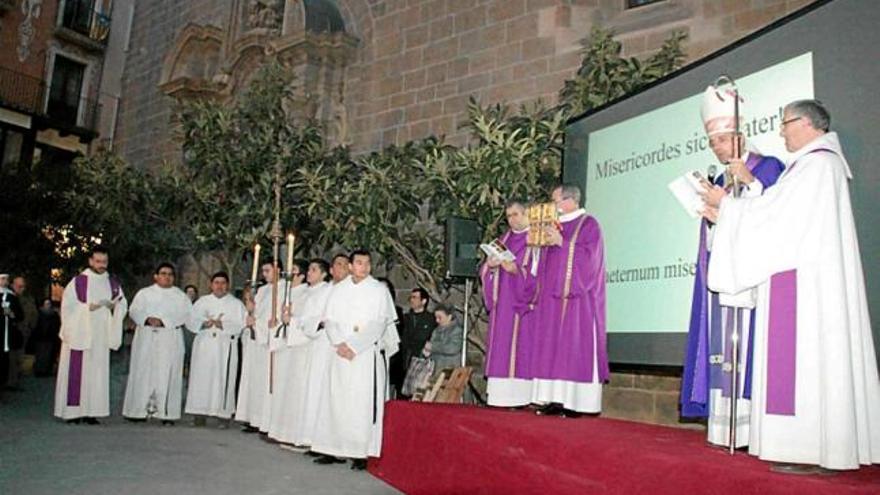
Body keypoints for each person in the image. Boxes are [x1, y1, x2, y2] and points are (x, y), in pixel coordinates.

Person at [701, 99, 880, 470]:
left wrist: (729, 208)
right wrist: (733, 206)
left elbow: (779, 219)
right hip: (798, 279)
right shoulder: (811, 166)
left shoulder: (818, 165)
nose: (780, 131)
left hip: (808, 289)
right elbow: (775, 211)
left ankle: (809, 448)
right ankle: (806, 447)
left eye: (785, 123)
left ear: (807, 123)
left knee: (808, 361)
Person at [680, 85, 785, 448]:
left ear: (740, 136)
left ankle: (751, 429)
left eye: (723, 140)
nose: (718, 148)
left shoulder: (768, 167)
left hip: (754, 280)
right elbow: (724, 227)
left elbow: (772, 216)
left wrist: (736, 196)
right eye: (714, 143)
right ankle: (726, 426)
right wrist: (711, 217)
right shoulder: (723, 178)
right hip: (727, 278)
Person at [311, 250, 400, 470]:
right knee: (336, 400)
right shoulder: (338, 290)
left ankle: (361, 452)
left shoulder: (378, 291)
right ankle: (333, 448)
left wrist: (354, 346)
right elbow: (329, 319)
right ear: (350, 266)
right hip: (339, 352)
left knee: (361, 403)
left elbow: (379, 323)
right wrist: (339, 342)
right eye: (359, 263)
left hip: (364, 353)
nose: (364, 267)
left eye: (367, 263)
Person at [531, 184, 608, 418]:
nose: (552, 207)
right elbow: (542, 266)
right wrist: (538, 248)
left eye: (554, 202)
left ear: (569, 201)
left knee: (572, 349)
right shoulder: (554, 225)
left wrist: (562, 244)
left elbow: (590, 261)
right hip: (551, 301)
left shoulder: (589, 224)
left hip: (577, 302)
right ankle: (554, 399)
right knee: (552, 348)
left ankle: (575, 402)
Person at [54, 246, 128, 424]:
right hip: (80, 333)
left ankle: (91, 412)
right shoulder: (79, 282)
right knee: (77, 372)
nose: (102, 265)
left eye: (105, 262)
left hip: (100, 336)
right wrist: (87, 308)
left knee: (97, 372)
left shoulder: (112, 282)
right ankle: (72, 413)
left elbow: (122, 303)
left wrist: (115, 307)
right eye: (98, 261)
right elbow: (67, 307)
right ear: (90, 261)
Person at [480, 199, 538, 408]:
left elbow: (541, 275)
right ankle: (500, 397)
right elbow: (485, 273)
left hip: (523, 309)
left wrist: (517, 271)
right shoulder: (502, 240)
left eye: (515, 214)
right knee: (502, 350)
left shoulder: (536, 240)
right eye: (508, 216)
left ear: (526, 214)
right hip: (502, 306)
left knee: (521, 351)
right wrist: (491, 266)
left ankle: (521, 398)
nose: (512, 220)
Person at [123, 262, 192, 425]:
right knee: (142, 371)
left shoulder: (180, 296)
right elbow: (134, 311)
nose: (166, 277)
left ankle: (166, 413)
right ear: (156, 276)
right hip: (146, 338)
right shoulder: (144, 293)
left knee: (167, 373)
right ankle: (137, 410)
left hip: (169, 339)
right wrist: (147, 319)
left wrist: (164, 321)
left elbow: (187, 315)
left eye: (170, 274)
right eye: (163, 273)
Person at [185, 271, 247, 426]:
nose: (220, 286)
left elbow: (241, 324)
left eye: (223, 283)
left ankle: (223, 415)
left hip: (225, 346)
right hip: (204, 345)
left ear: (227, 285)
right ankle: (199, 413)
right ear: (211, 285)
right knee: (201, 378)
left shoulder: (236, 304)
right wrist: (203, 323)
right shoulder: (202, 302)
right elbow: (191, 320)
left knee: (223, 378)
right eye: (216, 283)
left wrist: (223, 324)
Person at [235, 260, 287, 433]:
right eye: (263, 271)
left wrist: (260, 324)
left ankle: (265, 419)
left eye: (267, 270)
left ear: (278, 270)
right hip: (256, 339)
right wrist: (251, 312)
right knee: (254, 380)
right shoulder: (263, 290)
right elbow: (257, 312)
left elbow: (277, 317)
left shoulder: (283, 289)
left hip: (267, 341)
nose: (264, 274)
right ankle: (253, 417)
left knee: (266, 382)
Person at [288, 258, 334, 448]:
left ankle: (311, 439)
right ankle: (301, 435)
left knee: (314, 392)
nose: (309, 272)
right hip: (307, 344)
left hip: (316, 345)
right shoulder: (309, 292)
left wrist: (297, 321)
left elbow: (317, 320)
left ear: (324, 274)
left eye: (314, 270)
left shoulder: (325, 291)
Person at [266, 259, 310, 444]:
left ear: (301, 275)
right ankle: (279, 430)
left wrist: (291, 318)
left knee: (294, 391)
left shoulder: (306, 294)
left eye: (293, 271)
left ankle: (293, 434)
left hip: (298, 348)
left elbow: (306, 321)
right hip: (283, 344)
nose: (289, 274)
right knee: (281, 388)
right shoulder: (285, 292)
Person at [393, 287, 435, 398]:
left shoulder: (430, 319)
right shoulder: (405, 318)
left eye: (415, 297)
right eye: (411, 297)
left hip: (421, 362)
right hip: (404, 360)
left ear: (424, 301)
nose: (412, 300)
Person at [9, 276, 37, 390]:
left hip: (24, 331)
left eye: (23, 286)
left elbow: (33, 313)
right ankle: (11, 382)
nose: (22, 289)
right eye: (19, 286)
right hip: (13, 331)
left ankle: (15, 381)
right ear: (13, 285)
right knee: (12, 358)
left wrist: (30, 327)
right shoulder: (9, 297)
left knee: (19, 357)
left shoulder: (28, 298)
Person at [1, 273, 24, 391]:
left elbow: (19, 316)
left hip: (9, 335)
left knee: (9, 361)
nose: (4, 281)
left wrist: (10, 314)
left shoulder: (12, 297)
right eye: (2, 279)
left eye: (6, 279)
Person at [423, 304, 463, 372]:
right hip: (436, 368)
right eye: (436, 317)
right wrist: (428, 352)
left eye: (440, 317)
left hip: (450, 369)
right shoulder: (436, 330)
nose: (437, 320)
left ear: (449, 317)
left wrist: (432, 347)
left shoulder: (457, 330)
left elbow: (452, 348)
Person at [32, 298, 61, 377]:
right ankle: (39, 370)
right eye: (46, 304)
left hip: (50, 338)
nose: (47, 305)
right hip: (41, 337)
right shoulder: (39, 314)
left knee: (48, 355)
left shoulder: (54, 315)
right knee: (40, 355)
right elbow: (36, 325)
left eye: (49, 304)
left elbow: (57, 325)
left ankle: (46, 370)